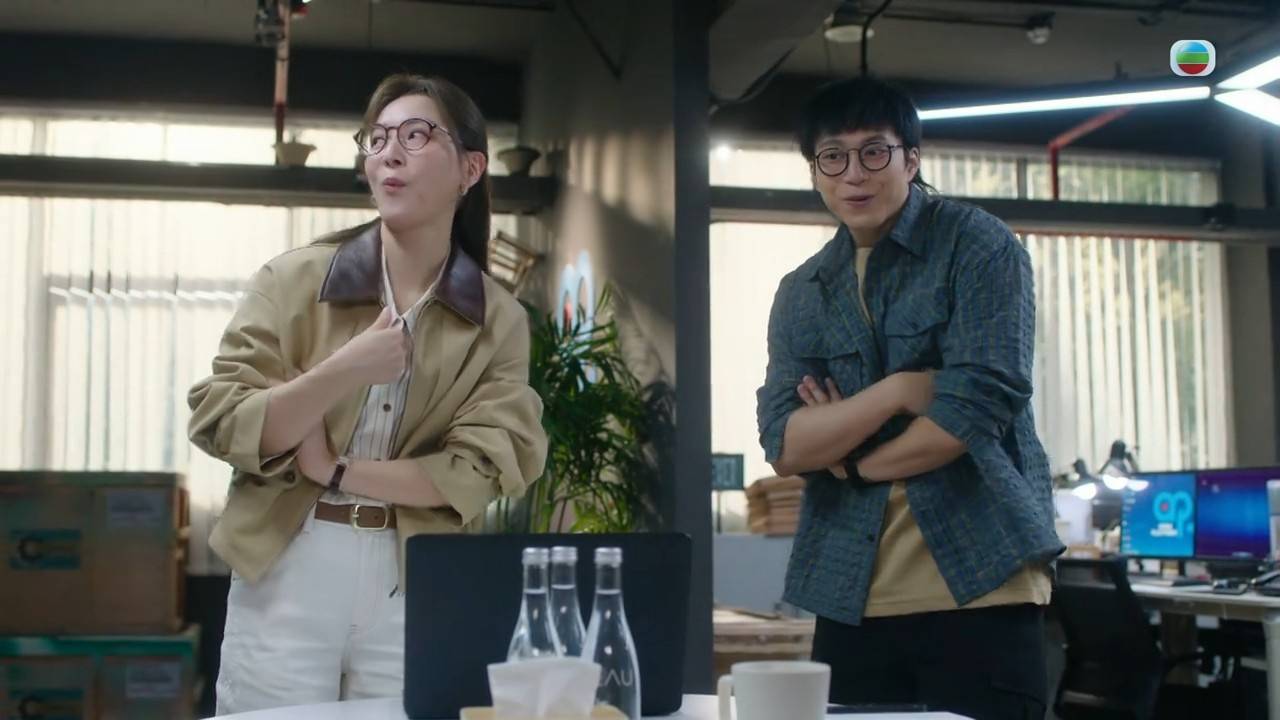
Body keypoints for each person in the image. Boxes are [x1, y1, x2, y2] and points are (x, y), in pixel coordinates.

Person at [188, 73, 548, 714]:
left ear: (470, 169)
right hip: (287, 562)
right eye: (376, 138)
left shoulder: (500, 321)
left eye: (416, 135)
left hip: (416, 576)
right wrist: (342, 370)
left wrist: (334, 467)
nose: (389, 153)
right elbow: (224, 421)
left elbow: (474, 471)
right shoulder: (292, 280)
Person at [755, 75, 1064, 720]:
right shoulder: (803, 290)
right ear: (815, 171)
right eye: (832, 156)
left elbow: (974, 407)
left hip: (983, 582)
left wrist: (849, 462)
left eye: (875, 151)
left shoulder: (976, 244)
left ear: (911, 159)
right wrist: (897, 392)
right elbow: (785, 444)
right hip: (850, 591)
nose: (853, 173)